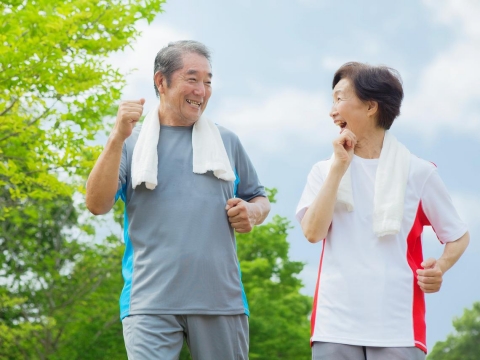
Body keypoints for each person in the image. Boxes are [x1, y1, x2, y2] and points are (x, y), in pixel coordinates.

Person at [86, 40, 270, 360]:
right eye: (192, 78)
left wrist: (253, 212)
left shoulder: (227, 141)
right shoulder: (130, 145)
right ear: (161, 81)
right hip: (148, 302)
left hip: (220, 301)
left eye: (208, 81)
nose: (202, 90)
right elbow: (97, 204)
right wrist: (117, 137)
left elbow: (258, 197)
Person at [296, 62, 469, 360]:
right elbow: (312, 233)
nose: (331, 110)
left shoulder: (419, 172)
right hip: (334, 324)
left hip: (398, 326)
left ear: (370, 106)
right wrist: (339, 168)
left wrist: (440, 267)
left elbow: (458, 236)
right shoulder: (323, 170)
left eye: (340, 99)